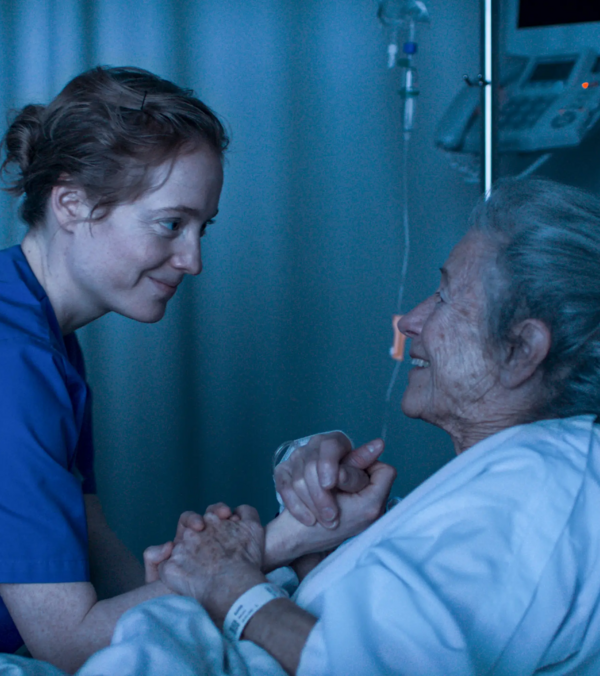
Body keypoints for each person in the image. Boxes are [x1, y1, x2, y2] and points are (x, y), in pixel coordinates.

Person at [153, 178, 600, 675]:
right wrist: (323, 540)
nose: (409, 322)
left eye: (443, 297)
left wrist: (229, 586)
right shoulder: (523, 477)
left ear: (521, 350)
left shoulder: (537, 492)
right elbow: (380, 630)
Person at [0, 65, 230, 672]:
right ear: (72, 203)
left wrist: (241, 564)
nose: (193, 260)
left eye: (202, 228)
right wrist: (249, 562)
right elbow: (67, 641)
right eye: (171, 224)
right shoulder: (13, 364)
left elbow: (91, 537)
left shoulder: (44, 336)